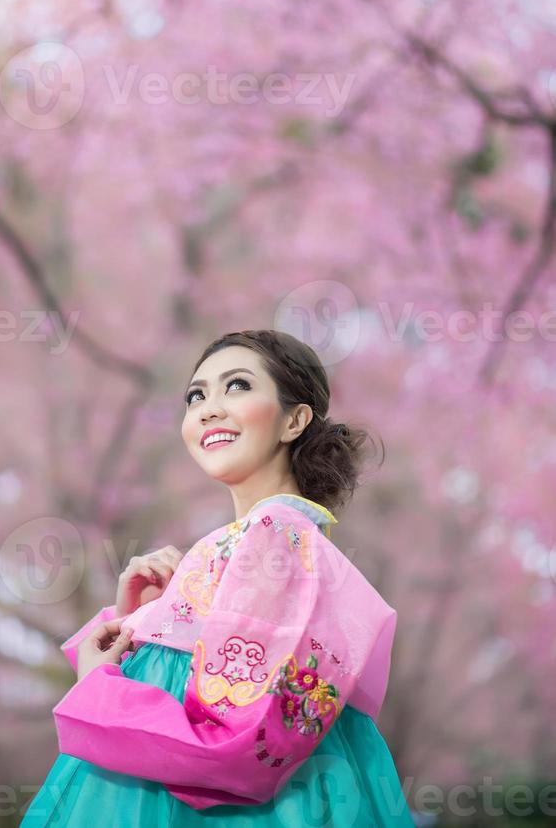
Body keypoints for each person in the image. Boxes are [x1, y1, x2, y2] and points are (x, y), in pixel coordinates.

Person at [21, 329, 415, 826]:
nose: (208, 408)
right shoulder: (255, 539)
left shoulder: (277, 535)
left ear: (294, 419)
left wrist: (100, 684)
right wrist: (145, 620)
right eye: (196, 395)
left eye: (237, 386)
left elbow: (239, 743)